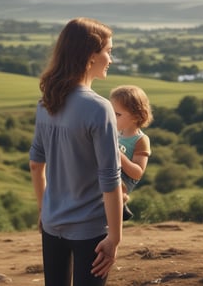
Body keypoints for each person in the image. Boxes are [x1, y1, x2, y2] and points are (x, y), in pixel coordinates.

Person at [29, 17, 123, 286]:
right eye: (108, 51)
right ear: (90, 56)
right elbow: (110, 178)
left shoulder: (46, 102)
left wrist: (43, 210)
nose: (111, 59)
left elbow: (36, 164)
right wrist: (114, 237)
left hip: (51, 222)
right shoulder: (98, 108)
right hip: (90, 229)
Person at [109, 85, 153, 221]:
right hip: (111, 173)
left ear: (135, 116)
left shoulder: (140, 140)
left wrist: (117, 154)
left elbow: (137, 172)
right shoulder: (116, 133)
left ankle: (121, 200)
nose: (112, 117)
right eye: (111, 112)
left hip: (123, 178)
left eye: (118, 114)